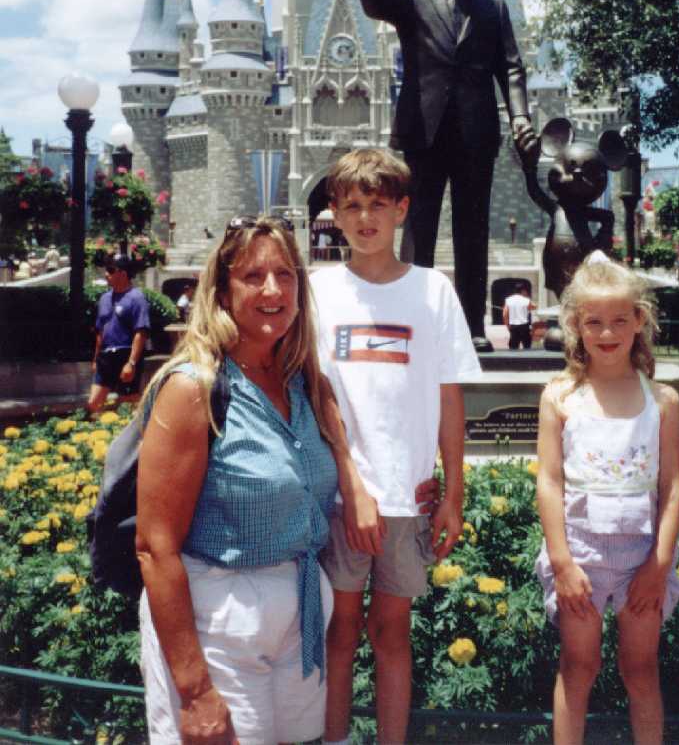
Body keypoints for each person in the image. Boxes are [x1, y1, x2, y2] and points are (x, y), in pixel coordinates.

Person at [135, 215, 433, 744]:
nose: (273, 290)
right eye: (253, 276)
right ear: (223, 292)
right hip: (219, 615)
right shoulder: (194, 389)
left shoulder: (300, 381)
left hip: (299, 616)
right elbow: (155, 547)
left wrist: (419, 482)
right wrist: (194, 689)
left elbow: (350, 442)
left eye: (285, 274)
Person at [310, 148, 480, 745]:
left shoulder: (433, 290)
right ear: (334, 213)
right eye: (352, 205)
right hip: (342, 499)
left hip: (408, 498)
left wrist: (453, 492)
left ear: (402, 209)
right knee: (339, 632)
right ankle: (333, 738)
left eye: (378, 205)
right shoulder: (318, 291)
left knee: (392, 633)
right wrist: (352, 484)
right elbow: (319, 396)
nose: (365, 218)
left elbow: (450, 396)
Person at [356, 0, 539, 345]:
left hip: (476, 133)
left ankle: (472, 328)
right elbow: (378, 4)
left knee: (472, 232)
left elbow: (511, 68)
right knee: (418, 228)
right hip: (423, 129)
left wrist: (520, 116)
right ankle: (413, 321)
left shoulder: (493, 7)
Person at [535, 253, 679, 745]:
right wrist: (562, 562)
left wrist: (658, 565)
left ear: (639, 320)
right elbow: (549, 482)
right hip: (581, 554)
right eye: (594, 321)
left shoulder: (662, 401)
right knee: (579, 666)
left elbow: (672, 487)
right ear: (576, 325)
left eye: (620, 320)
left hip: (643, 555)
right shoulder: (560, 396)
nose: (606, 332)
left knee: (640, 669)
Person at [87, 253, 150, 414]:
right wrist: (96, 359)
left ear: (123, 273)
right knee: (94, 404)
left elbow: (141, 333)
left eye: (110, 270)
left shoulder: (137, 298)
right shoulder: (104, 299)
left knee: (128, 406)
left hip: (125, 355)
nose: (106, 274)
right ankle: (100, 430)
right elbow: (100, 331)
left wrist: (131, 363)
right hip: (105, 357)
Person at [503, 282, 535, 350]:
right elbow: (534, 307)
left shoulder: (508, 300)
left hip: (513, 326)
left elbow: (505, 314)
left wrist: (507, 325)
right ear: (523, 291)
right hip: (524, 326)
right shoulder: (526, 300)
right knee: (527, 347)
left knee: (513, 347)